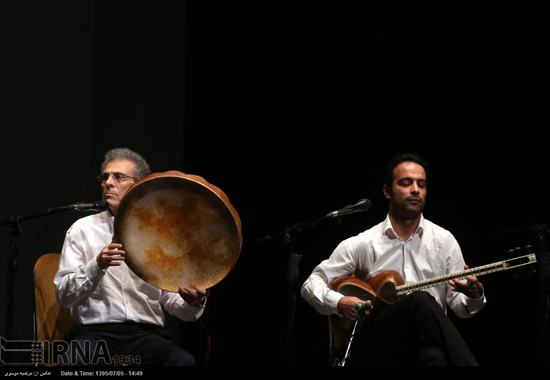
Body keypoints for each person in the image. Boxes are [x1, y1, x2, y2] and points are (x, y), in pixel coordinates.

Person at [301, 153, 486, 366]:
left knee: (436, 358)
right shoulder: (365, 243)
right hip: (378, 344)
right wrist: (339, 302)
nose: (415, 189)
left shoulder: (444, 241)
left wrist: (474, 295)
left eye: (421, 184)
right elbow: (310, 285)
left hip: (423, 342)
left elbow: (461, 308)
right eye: (406, 183)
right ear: (387, 191)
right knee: (418, 299)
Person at [54, 148, 207, 366]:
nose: (108, 182)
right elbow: (64, 296)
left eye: (118, 177)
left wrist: (192, 303)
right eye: (104, 177)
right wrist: (96, 265)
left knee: (182, 361)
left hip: (146, 335)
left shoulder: (161, 233)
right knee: (70, 364)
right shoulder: (82, 229)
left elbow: (170, 299)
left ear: (139, 186)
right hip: (96, 334)